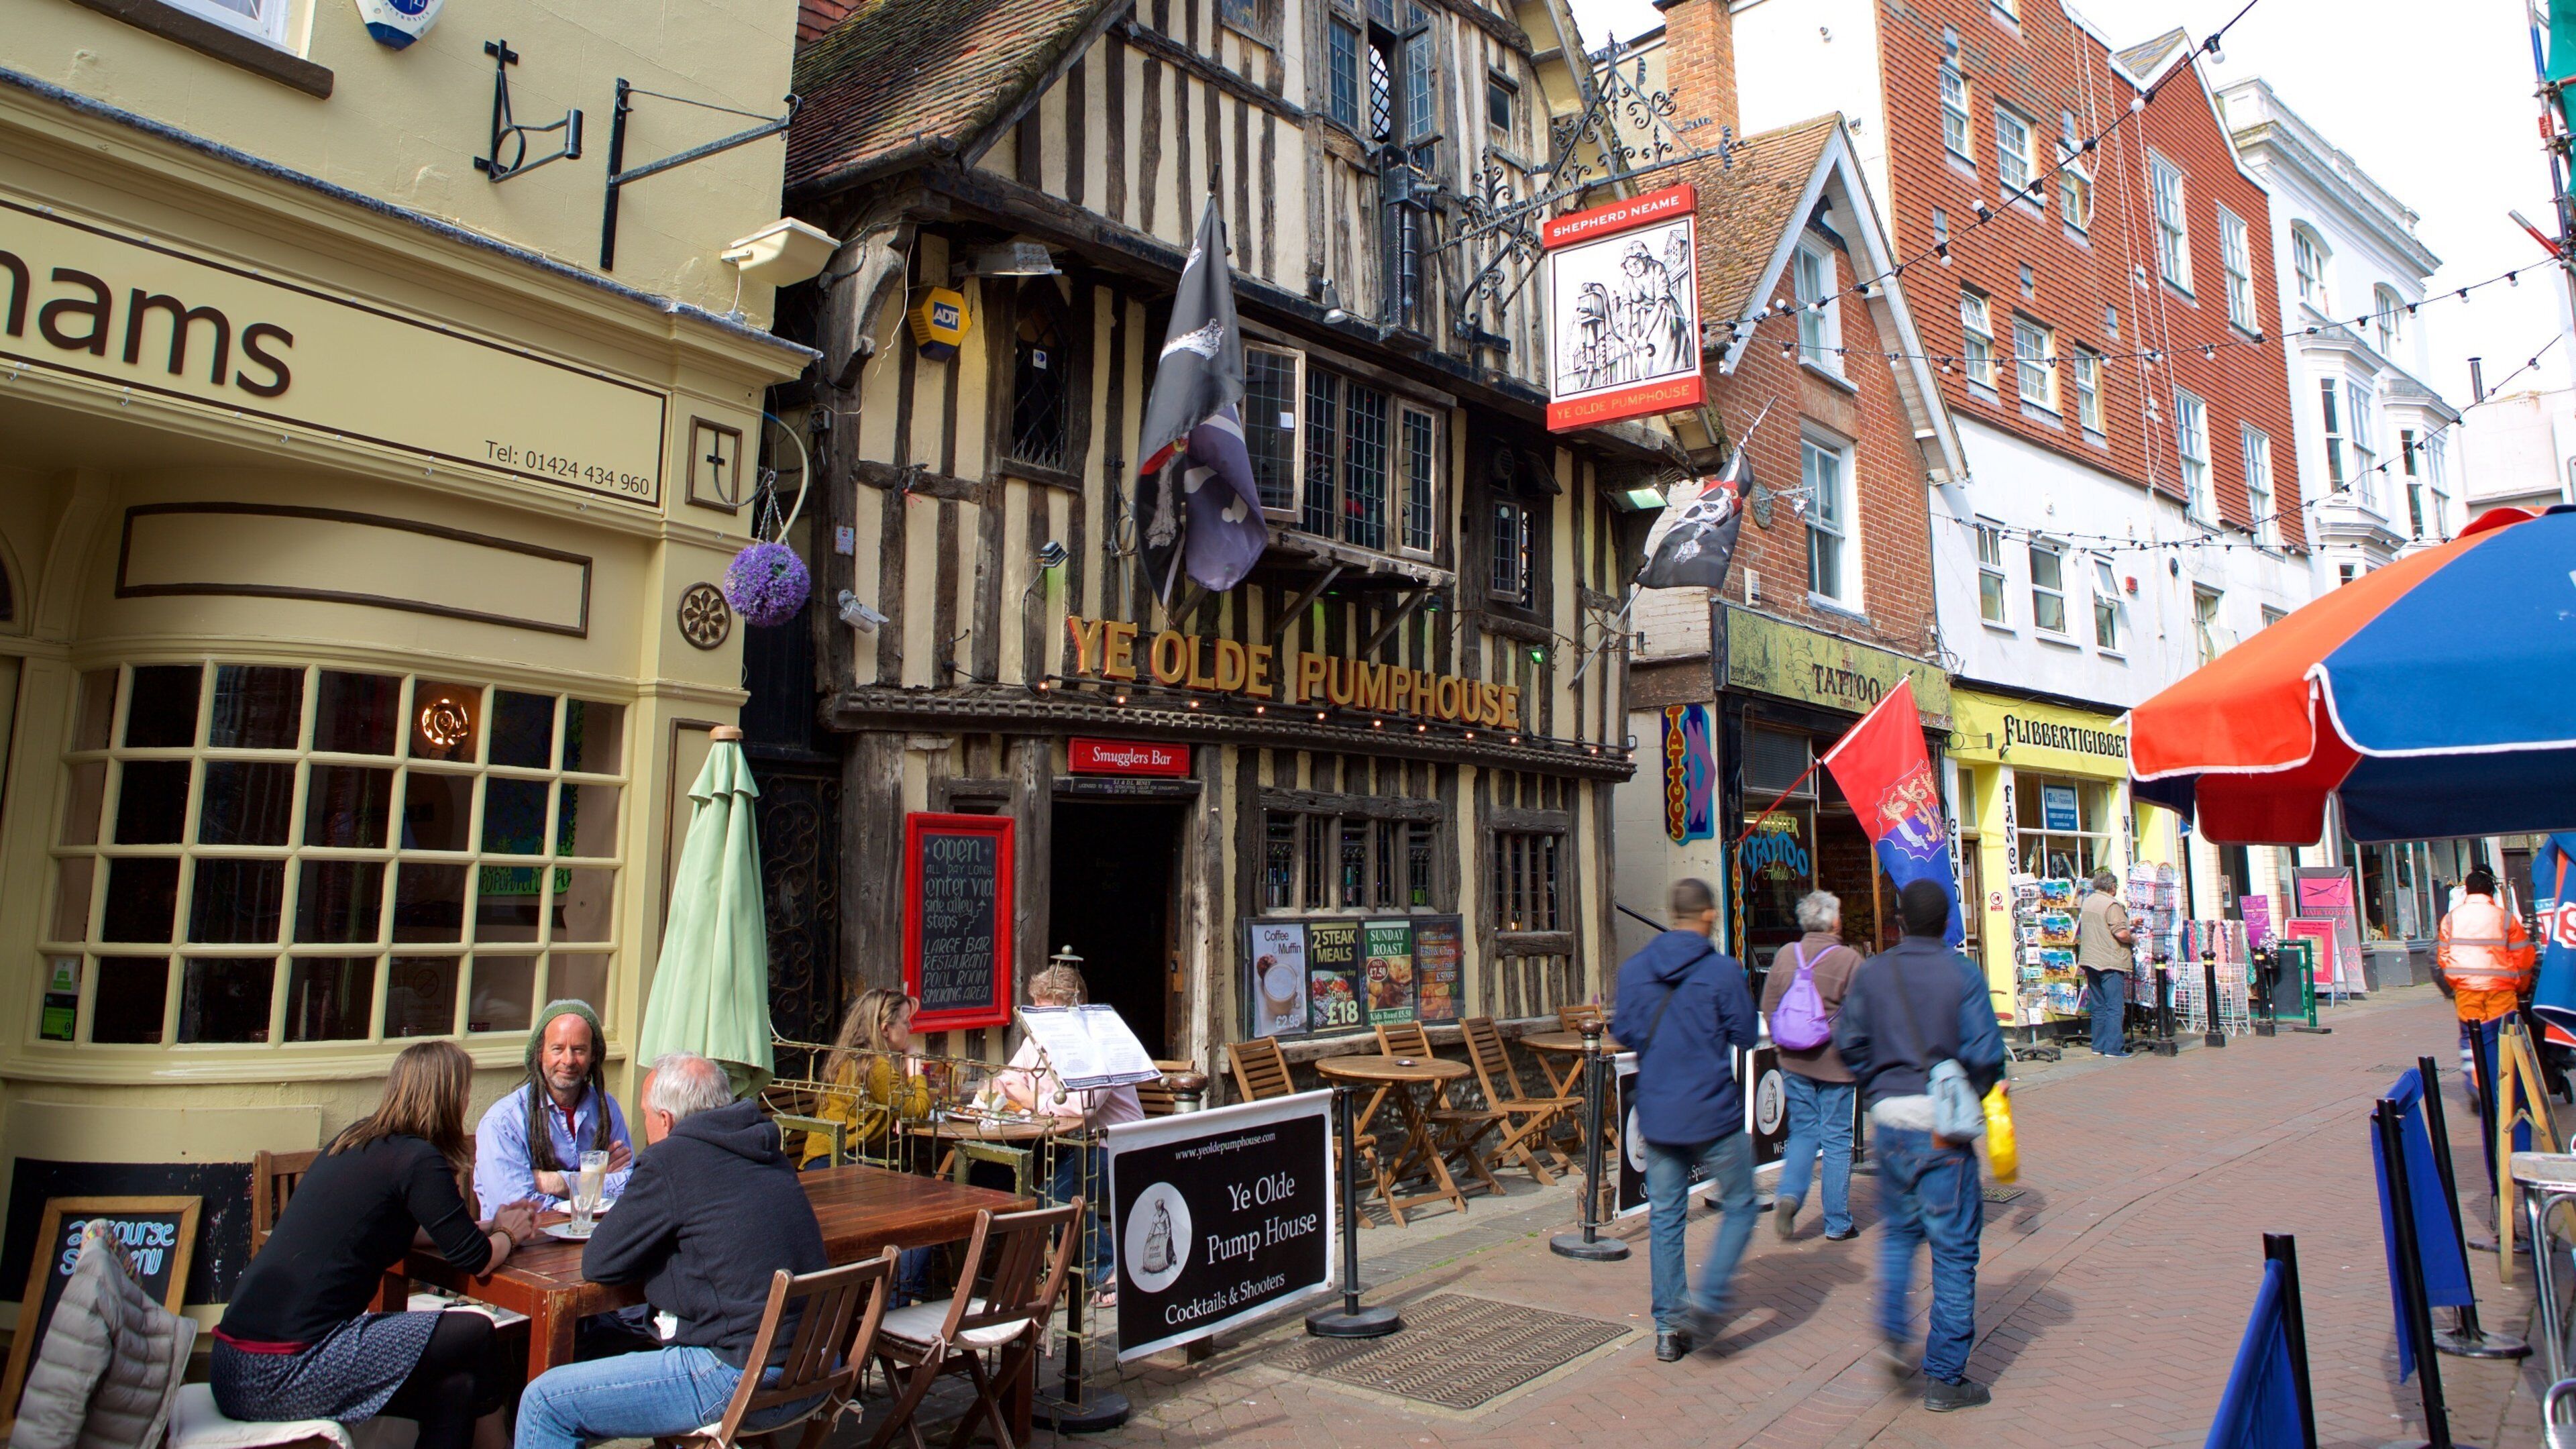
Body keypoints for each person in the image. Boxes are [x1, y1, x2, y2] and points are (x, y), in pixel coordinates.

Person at [213, 1040, 537, 1449]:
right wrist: (510, 1234)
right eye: (465, 1092)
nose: (467, 1103)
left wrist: (489, 1224)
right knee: (475, 1332)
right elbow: (476, 1259)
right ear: (450, 1097)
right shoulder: (418, 1159)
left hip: (233, 1367)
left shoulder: (354, 1142)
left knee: (455, 1386)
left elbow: (403, 1231)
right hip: (285, 1368)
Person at [515, 1053, 829, 1449]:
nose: (644, 1126)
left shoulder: (671, 1158)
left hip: (742, 1378)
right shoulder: (764, 1146)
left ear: (665, 1119)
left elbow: (599, 1262)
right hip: (816, 1369)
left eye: (645, 1114)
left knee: (545, 1403)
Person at [1835, 879, 2008, 1411]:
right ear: (1947, 922)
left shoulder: (1874, 973)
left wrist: (1879, 1087)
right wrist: (1970, 1091)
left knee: (1899, 1235)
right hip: (1941, 1127)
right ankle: (1945, 1377)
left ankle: (1893, 1333)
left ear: (1900, 922)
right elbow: (1986, 1053)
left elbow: (1848, 1042)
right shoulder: (1962, 973)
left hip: (1891, 1123)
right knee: (1954, 1250)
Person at [1611, 877, 1759, 1363]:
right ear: (1709, 915)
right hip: (1712, 1110)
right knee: (1741, 1204)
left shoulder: (1636, 971)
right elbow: (1746, 1036)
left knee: (1666, 1216)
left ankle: (1668, 1327)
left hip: (1658, 1110)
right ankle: (1710, 1300)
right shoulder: (1722, 972)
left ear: (1672, 913)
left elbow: (1625, 1031)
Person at [998, 963, 1144, 1305]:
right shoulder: (1041, 1038)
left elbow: (1082, 1107)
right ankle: (1005, 1278)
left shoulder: (1101, 1041)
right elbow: (1007, 1080)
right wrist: (1026, 1095)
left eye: (1047, 1014)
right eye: (1037, 1013)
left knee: (1055, 1198)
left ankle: (1108, 1271)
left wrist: (1030, 1099)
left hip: (1114, 1144)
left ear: (1073, 1010)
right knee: (997, 1178)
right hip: (1066, 1142)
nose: (1039, 1023)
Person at [1762, 890, 1863, 1242]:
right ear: (1833, 921)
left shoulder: (1786, 954)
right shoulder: (1849, 960)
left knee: (1803, 1132)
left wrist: (1785, 1044)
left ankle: (1790, 1194)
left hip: (1794, 1061)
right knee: (1837, 1139)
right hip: (1836, 1065)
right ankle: (1837, 1223)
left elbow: (1770, 1006)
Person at [474, 1000, 633, 1216]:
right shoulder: (503, 1123)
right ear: (540, 1053)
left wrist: (560, 1182)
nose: (568, 1060)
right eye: (557, 1049)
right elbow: (516, 1210)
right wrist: (593, 1183)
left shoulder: (607, 1108)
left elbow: (631, 1186)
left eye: (579, 1050)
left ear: (593, 1055)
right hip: (530, 1237)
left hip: (596, 1233)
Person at [2437, 866, 2537, 1185]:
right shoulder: (2504, 919)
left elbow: (2443, 956)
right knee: (2504, 1042)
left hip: (2467, 990)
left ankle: (2480, 1088)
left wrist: (2458, 981)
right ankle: (2503, 1089)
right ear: (2492, 891)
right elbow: (2524, 958)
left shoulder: (2451, 919)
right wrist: (2520, 986)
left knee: (2473, 1041)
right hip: (2500, 990)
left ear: (2466, 891)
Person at [798, 987, 922, 1170]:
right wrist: (915, 1069)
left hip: (824, 1158)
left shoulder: (850, 1056)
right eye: (905, 1021)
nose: (910, 1027)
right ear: (885, 1029)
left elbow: (898, 1106)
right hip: (841, 1162)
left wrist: (893, 1113)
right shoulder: (876, 1065)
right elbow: (917, 1113)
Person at [2075, 870, 2135, 1059]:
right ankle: (2113, 1048)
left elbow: (2101, 925)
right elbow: (2121, 934)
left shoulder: (2089, 902)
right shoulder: (2112, 904)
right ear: (2112, 887)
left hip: (2090, 959)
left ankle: (2098, 1045)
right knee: (2114, 1006)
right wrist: (2133, 938)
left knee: (2098, 1005)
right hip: (2110, 961)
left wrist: (2129, 922)